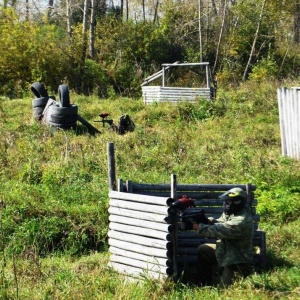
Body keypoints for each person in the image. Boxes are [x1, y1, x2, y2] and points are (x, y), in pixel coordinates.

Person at [181, 187, 254, 287]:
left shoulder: (242, 220)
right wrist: (207, 221)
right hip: (225, 250)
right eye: (226, 201)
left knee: (224, 291)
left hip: (237, 261)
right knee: (204, 249)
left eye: (229, 201)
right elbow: (221, 222)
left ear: (237, 202)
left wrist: (192, 226)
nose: (226, 204)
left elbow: (218, 230)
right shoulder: (235, 211)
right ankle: (203, 283)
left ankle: (238, 276)